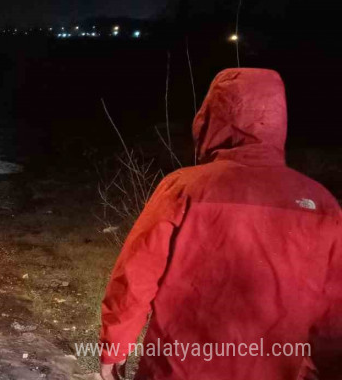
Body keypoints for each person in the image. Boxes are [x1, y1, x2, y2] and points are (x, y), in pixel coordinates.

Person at [99, 68, 342, 380]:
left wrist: (113, 349)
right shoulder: (321, 204)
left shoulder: (183, 189)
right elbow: (334, 312)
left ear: (211, 118)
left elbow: (135, 279)